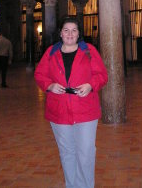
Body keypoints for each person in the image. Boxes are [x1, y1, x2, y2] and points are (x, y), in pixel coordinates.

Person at [34, 17, 108, 188]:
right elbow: (40, 74)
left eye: (74, 30)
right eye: (66, 30)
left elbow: (102, 75)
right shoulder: (51, 52)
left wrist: (91, 85)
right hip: (58, 111)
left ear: (79, 33)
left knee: (86, 152)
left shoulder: (89, 51)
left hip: (85, 110)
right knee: (67, 152)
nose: (70, 34)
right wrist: (50, 85)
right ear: (60, 33)